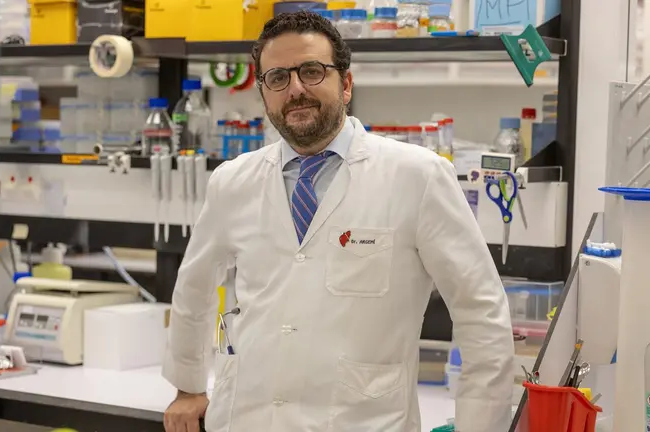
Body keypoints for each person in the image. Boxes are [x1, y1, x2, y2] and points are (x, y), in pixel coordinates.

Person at [162, 10, 514, 432]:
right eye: (277, 78)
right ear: (264, 93)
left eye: (311, 71)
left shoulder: (417, 176)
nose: (295, 89)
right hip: (249, 417)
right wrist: (187, 386)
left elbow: (482, 314)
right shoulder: (233, 181)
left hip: (365, 421)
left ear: (345, 84)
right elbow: (194, 288)